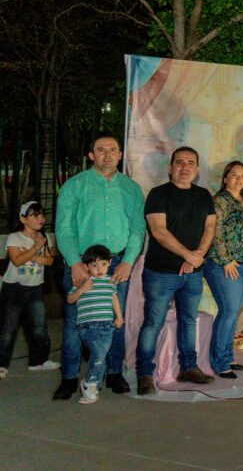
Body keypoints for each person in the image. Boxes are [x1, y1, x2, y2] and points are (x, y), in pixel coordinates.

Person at [53, 134, 145, 400]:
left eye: (112, 149)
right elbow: (64, 228)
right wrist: (74, 263)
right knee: (75, 321)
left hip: (116, 264)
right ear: (91, 155)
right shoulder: (75, 185)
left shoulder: (131, 188)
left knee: (115, 319)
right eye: (101, 150)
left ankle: (114, 372)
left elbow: (137, 228)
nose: (107, 154)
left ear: (120, 155)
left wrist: (128, 261)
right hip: (82, 263)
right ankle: (69, 377)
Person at [136, 146, 217, 395]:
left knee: (188, 321)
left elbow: (210, 228)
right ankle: (144, 374)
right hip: (161, 273)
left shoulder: (204, 195)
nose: (185, 167)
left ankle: (188, 367)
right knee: (153, 323)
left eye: (190, 163)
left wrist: (197, 256)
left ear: (197, 169)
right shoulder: (158, 194)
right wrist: (188, 255)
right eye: (179, 162)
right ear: (170, 167)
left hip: (192, 273)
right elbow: (159, 231)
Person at [204, 161, 243, 379]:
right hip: (224, 265)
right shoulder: (219, 201)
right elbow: (214, 231)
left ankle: (228, 356)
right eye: (234, 175)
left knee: (233, 312)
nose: (239, 179)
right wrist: (226, 260)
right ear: (225, 177)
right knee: (228, 311)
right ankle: (219, 362)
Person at [0, 201, 58, 379]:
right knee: (8, 327)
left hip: (35, 288)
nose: (41, 218)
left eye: (42, 215)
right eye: (35, 215)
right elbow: (17, 260)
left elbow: (50, 260)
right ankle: (1, 364)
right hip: (13, 288)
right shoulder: (14, 238)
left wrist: (31, 255)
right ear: (23, 219)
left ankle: (38, 361)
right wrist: (36, 248)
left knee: (39, 326)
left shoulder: (45, 237)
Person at [67, 245, 123, 404]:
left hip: (107, 326)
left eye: (103, 264)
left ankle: (94, 387)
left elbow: (113, 298)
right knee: (98, 353)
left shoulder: (110, 281)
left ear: (110, 263)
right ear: (86, 266)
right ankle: (89, 382)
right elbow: (70, 299)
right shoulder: (83, 281)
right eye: (94, 265)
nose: (99, 269)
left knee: (101, 355)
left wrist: (119, 317)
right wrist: (81, 290)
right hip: (88, 326)